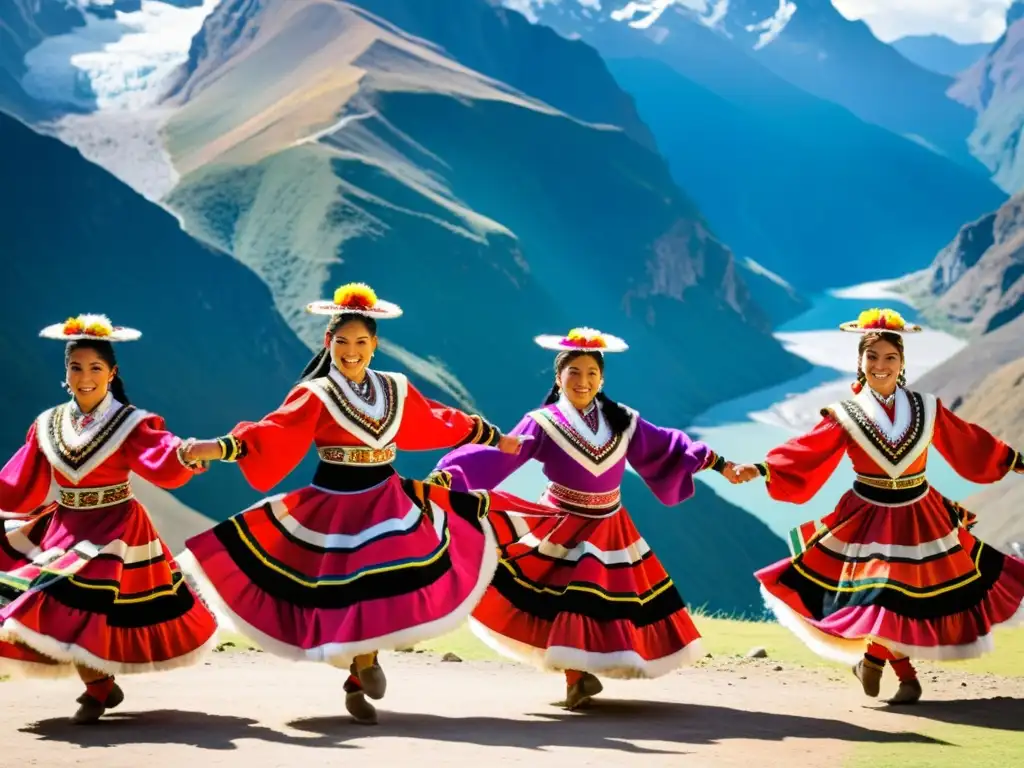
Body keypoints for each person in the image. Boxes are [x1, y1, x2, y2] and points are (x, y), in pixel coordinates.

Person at [176, 283, 544, 726]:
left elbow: (437, 420)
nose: (351, 351)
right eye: (342, 342)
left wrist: (494, 437)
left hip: (387, 501)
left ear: (375, 344)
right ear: (328, 343)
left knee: (381, 584)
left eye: (361, 342)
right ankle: (361, 666)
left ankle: (361, 668)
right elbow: (269, 433)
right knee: (344, 592)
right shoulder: (314, 395)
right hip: (333, 505)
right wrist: (214, 449)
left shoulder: (395, 389)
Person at [427, 327, 741, 709]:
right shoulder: (542, 422)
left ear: (602, 378)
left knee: (598, 603)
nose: (583, 381)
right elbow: (501, 456)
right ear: (559, 377)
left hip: (610, 526)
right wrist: (450, 475)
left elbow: (666, 446)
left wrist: (720, 464)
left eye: (591, 373)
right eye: (574, 372)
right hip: (559, 523)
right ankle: (577, 678)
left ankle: (584, 675)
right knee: (560, 601)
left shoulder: (624, 420)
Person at [729, 308, 1024, 704]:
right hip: (867, 516)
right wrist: (762, 468)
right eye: (872, 357)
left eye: (889, 358)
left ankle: (876, 663)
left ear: (902, 362)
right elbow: (808, 452)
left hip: (921, 515)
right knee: (885, 596)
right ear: (860, 361)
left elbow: (969, 442)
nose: (880, 366)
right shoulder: (844, 415)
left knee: (905, 599)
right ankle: (902, 674)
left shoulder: (928, 408)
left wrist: (1014, 461)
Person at [0, 314, 218, 724]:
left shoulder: (130, 423)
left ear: (111, 372)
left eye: (95, 367)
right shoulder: (48, 424)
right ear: (65, 372)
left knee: (83, 599)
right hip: (66, 524)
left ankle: (98, 690)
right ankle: (99, 686)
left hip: (117, 528)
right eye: (76, 367)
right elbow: (18, 481)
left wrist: (192, 453)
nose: (85, 376)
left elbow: (163, 454)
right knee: (49, 599)